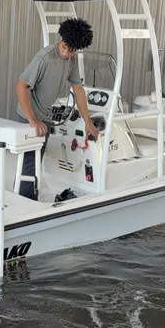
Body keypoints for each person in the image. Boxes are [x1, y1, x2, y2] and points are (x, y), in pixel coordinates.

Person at [15, 17, 100, 200]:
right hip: (30, 116)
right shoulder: (44, 57)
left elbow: (78, 89)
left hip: (45, 117)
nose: (67, 54)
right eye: (65, 48)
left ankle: (31, 199)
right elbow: (21, 85)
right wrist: (32, 120)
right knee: (30, 163)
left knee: (37, 161)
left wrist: (88, 122)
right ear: (61, 39)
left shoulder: (71, 60)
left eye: (72, 51)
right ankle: (26, 205)